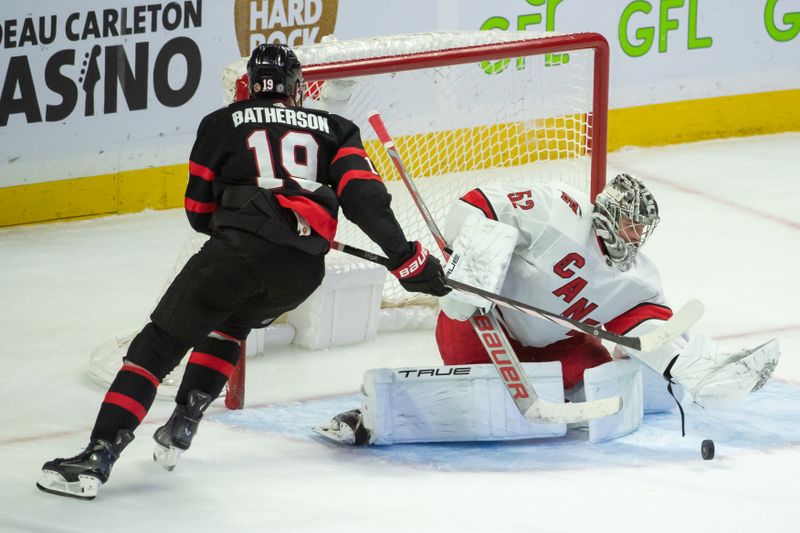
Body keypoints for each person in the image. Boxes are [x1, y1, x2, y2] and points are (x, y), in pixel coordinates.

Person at [37, 43, 449, 499]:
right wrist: (406, 257)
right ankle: (183, 423)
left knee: (157, 345)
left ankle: (98, 455)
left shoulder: (220, 123)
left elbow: (197, 211)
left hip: (236, 255)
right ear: (297, 88)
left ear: (251, 84)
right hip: (300, 272)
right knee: (230, 325)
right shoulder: (337, 129)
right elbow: (365, 201)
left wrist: (247, 216)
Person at [318, 174, 779, 445]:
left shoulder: (638, 278)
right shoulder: (556, 208)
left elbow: (653, 330)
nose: (635, 237)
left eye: (642, 230)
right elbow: (475, 205)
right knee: (483, 400)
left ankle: (708, 371)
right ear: (606, 212)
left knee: (599, 386)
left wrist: (690, 366)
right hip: (483, 329)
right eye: (629, 225)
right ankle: (372, 418)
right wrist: (471, 259)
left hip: (557, 349)